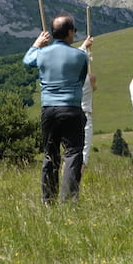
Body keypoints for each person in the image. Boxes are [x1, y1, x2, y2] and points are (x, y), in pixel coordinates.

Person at [23, 14, 90, 203]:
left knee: (50, 153)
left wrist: (37, 44)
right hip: (71, 107)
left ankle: (48, 199)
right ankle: (68, 199)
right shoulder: (80, 55)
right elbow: (81, 78)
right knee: (74, 152)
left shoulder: (42, 53)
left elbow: (27, 61)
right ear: (69, 32)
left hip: (49, 109)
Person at [81, 41, 96, 166]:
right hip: (85, 114)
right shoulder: (90, 78)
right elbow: (94, 88)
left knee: (70, 153)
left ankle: (67, 182)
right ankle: (75, 183)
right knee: (83, 153)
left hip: (69, 112)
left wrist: (84, 46)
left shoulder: (67, 77)